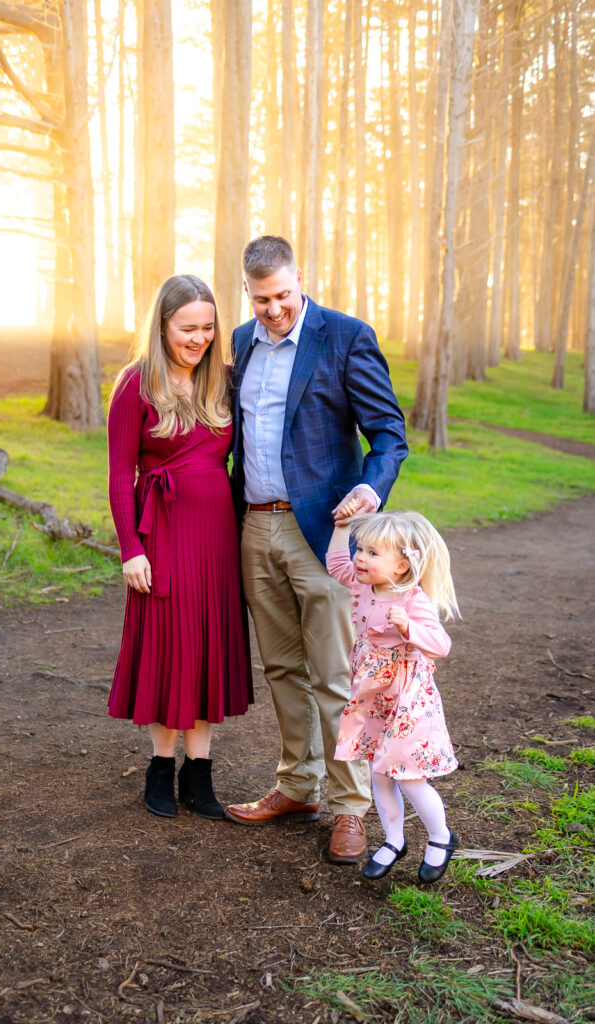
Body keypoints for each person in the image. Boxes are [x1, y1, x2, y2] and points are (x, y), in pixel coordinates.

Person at [225, 235, 408, 864]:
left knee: (335, 674)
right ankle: (297, 786)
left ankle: (350, 806)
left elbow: (388, 432)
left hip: (326, 532)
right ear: (246, 293)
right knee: (280, 667)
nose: (273, 309)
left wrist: (369, 486)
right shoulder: (243, 342)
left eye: (282, 295)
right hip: (256, 526)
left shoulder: (345, 336)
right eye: (260, 299)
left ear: (300, 279)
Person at [106, 274, 253, 822]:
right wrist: (131, 549)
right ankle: (160, 768)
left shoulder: (226, 382)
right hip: (160, 533)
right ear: (162, 325)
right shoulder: (135, 385)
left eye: (208, 328)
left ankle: (200, 772)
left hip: (217, 535)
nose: (199, 338)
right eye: (187, 328)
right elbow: (121, 477)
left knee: (209, 644)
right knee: (170, 645)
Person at [326, 507, 459, 883]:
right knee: (379, 773)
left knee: (409, 776)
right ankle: (394, 839)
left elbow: (440, 644)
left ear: (401, 566)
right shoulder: (363, 584)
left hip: (406, 699)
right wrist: (342, 529)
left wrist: (410, 627)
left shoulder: (411, 599)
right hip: (373, 696)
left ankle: (440, 837)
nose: (360, 558)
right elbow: (336, 562)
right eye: (361, 548)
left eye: (372, 553)